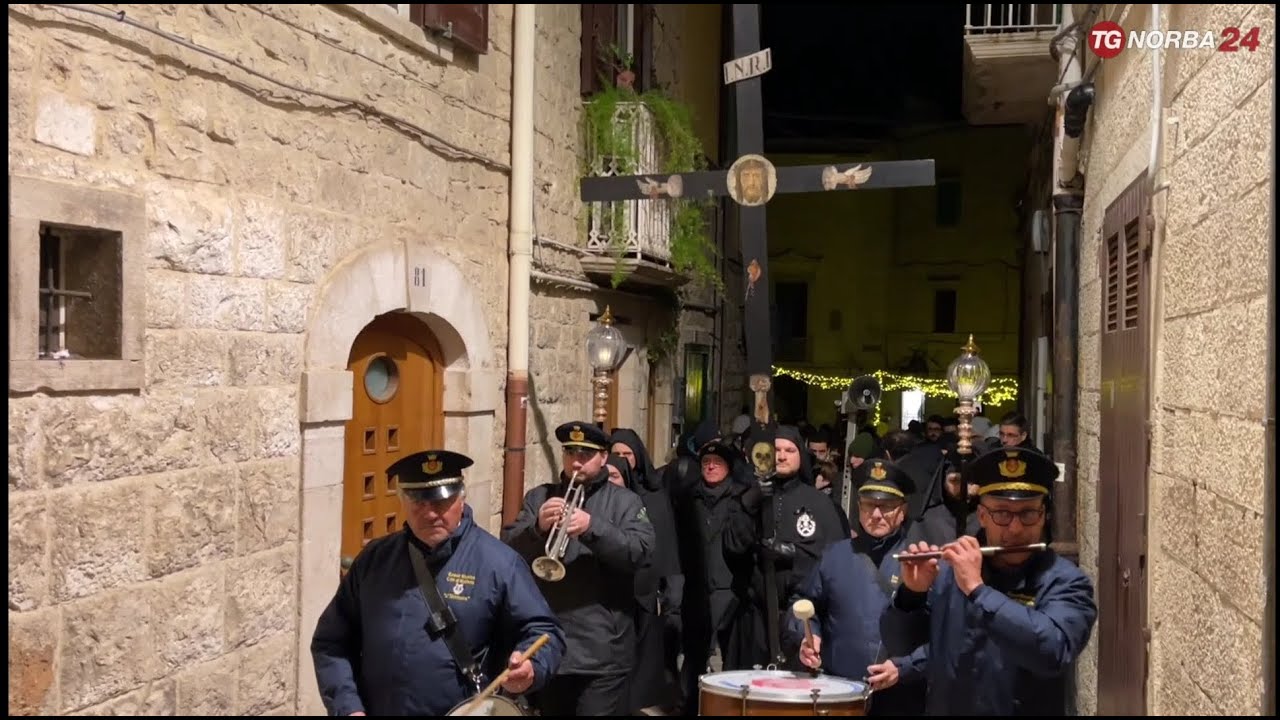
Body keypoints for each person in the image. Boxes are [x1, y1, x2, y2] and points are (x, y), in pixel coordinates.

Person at [311, 449, 566, 716]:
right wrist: (348, 707)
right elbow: (331, 642)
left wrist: (531, 667)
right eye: (419, 503)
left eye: (441, 502)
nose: (431, 514)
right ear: (402, 502)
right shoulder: (374, 561)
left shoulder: (499, 563)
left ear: (460, 498)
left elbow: (544, 632)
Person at [880, 447, 1098, 715]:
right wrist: (911, 595)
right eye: (1002, 514)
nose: (1016, 529)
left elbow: (1053, 651)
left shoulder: (1066, 581)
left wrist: (978, 591)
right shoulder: (951, 571)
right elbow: (904, 644)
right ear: (982, 515)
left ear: (1043, 516)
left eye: (1028, 513)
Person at [502, 421, 655, 716]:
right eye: (570, 452)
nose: (576, 461)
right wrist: (536, 529)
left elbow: (641, 552)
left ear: (603, 457)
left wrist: (591, 527)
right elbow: (507, 551)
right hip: (549, 645)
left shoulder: (625, 502)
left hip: (603, 650)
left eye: (585, 454)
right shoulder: (540, 497)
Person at [785, 458, 925, 715]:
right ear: (858, 507)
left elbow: (945, 633)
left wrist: (906, 667)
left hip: (902, 697)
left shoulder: (921, 560)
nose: (876, 515)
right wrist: (806, 636)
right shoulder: (834, 555)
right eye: (869, 505)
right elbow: (802, 604)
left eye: (886, 506)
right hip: (839, 695)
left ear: (903, 510)